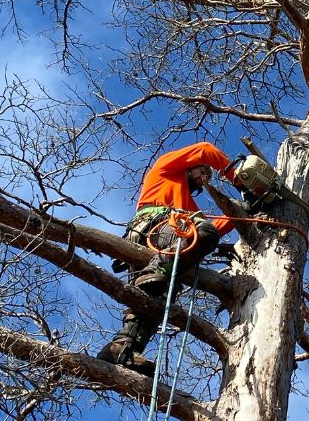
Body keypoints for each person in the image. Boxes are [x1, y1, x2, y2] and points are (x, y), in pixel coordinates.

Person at [97, 142, 238, 375]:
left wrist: (242, 214)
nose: (204, 179)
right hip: (153, 228)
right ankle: (157, 268)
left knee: (156, 300)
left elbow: (212, 230)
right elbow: (205, 149)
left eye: (207, 176)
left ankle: (122, 348)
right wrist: (237, 177)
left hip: (169, 239)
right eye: (203, 172)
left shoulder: (189, 209)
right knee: (200, 233)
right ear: (191, 166)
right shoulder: (165, 168)